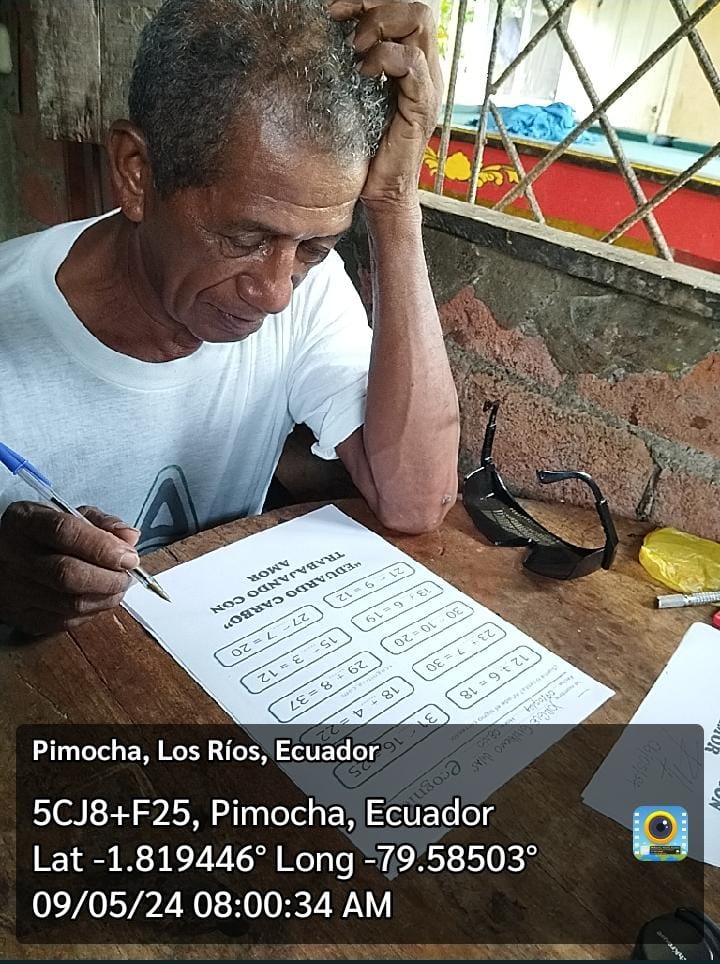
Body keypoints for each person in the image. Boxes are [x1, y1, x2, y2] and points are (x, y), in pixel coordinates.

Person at [0, 0, 459, 637]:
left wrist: (396, 201)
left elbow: (415, 500)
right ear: (137, 174)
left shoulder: (311, 288)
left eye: (315, 247)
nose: (275, 295)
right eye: (244, 238)